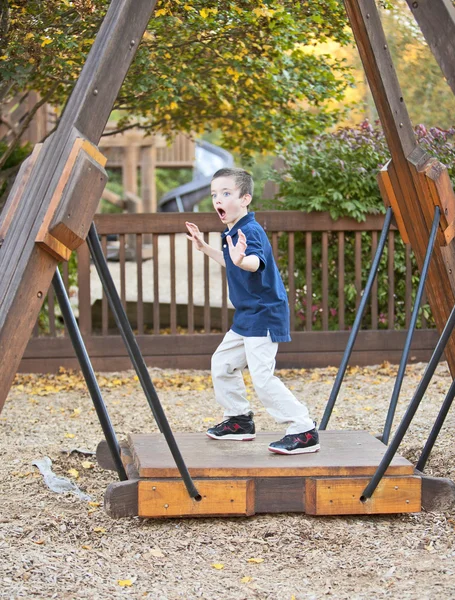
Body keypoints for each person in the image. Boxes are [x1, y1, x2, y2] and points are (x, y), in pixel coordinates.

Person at [185, 168, 319, 455]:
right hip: (247, 315)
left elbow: (254, 263)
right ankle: (239, 421)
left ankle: (303, 429)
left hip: (265, 314)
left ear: (245, 198)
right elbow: (232, 260)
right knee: (222, 363)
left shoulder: (249, 230)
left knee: (262, 377)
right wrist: (205, 247)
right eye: (214, 194)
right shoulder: (233, 231)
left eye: (226, 193)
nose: (217, 199)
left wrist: (242, 258)